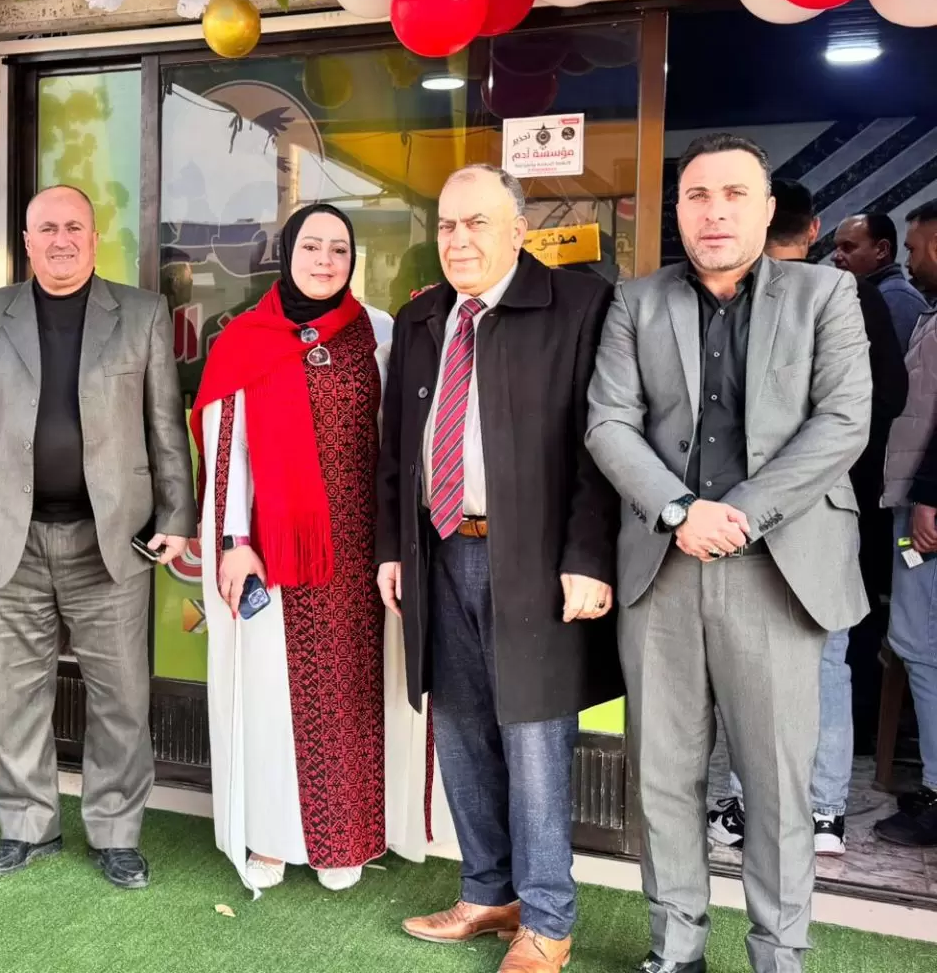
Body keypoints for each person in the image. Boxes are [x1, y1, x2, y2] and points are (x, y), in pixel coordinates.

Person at [586, 133, 871, 973]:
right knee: (662, 776)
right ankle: (675, 949)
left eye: (734, 195)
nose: (715, 212)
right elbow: (609, 422)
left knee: (777, 782)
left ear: (768, 208)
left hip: (777, 567)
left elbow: (843, 422)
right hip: (665, 565)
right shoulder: (636, 302)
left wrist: (737, 514)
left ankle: (778, 954)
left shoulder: (825, 294)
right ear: (677, 210)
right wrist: (679, 510)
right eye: (698, 196)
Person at [376, 166, 621, 973]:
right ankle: (487, 892)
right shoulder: (422, 317)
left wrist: (587, 558)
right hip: (438, 550)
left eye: (476, 223)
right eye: (446, 225)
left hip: (536, 561)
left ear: (518, 230)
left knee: (534, 739)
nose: (458, 240)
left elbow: (601, 449)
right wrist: (391, 549)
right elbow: (395, 452)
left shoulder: (577, 306)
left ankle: (547, 918)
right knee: (459, 728)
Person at [0, 185, 196, 890]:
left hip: (110, 541)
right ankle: (27, 825)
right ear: (26, 240)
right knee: (14, 696)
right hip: (10, 539)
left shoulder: (141, 313)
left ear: (94, 236)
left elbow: (165, 427)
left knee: (121, 697)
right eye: (46, 228)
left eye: (73, 227)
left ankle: (115, 832)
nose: (61, 239)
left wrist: (176, 517)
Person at [189, 203, 428, 896]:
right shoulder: (245, 339)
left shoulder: (378, 331)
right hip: (278, 551)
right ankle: (271, 835)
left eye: (339, 249)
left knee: (354, 696)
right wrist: (234, 543)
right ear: (286, 253)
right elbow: (227, 451)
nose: (326, 260)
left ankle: (343, 838)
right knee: (274, 697)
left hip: (361, 551)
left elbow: (400, 437)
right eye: (312, 247)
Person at [705, 179, 907, 857]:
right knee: (823, 662)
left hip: (751, 507)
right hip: (831, 502)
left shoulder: (749, 299)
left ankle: (748, 807)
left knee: (754, 665)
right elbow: (882, 402)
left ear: (758, 222)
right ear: (813, 228)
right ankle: (823, 813)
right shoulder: (853, 297)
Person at [873, 201, 937, 849]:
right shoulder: (931, 313)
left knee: (922, 646)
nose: (910, 261)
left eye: (915, 248)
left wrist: (928, 497)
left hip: (925, 512)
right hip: (914, 501)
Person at [834, 212, 928, 348]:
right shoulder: (880, 296)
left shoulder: (893, 298)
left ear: (882, 250)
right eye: (836, 248)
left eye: (847, 247)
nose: (835, 256)